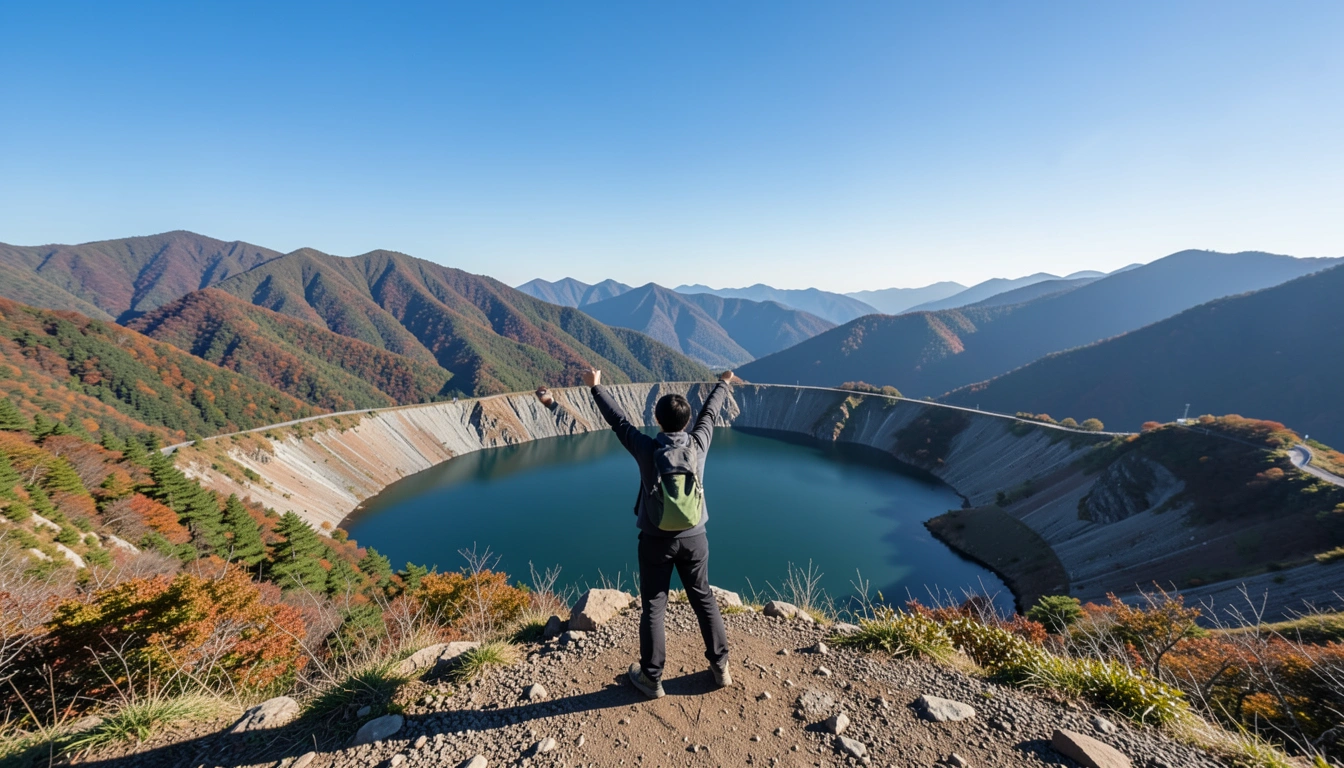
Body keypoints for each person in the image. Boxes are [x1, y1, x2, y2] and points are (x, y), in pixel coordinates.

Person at [584, 367, 738, 699]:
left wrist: (596, 387)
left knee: (654, 604)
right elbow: (711, 412)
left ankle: (652, 678)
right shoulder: (698, 444)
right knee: (703, 598)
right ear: (687, 421)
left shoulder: (645, 448)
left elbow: (619, 422)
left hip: (655, 539)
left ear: (657, 420)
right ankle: (721, 667)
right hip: (695, 537)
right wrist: (723, 383)